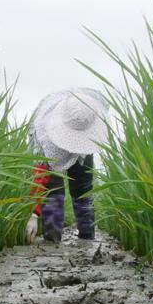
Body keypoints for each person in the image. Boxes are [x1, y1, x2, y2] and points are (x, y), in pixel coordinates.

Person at [25, 88, 108, 243]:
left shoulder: (91, 105)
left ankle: (87, 238)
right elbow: (40, 174)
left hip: (85, 135)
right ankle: (52, 239)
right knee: (53, 189)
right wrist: (34, 214)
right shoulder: (43, 132)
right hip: (51, 142)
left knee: (83, 189)